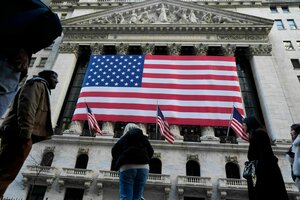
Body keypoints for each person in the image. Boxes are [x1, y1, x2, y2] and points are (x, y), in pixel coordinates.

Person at [0, 70, 58, 197]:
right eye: (54, 77)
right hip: (19, 134)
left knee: (8, 172)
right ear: (45, 76)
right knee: (6, 171)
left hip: (23, 134)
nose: (57, 81)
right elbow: (27, 107)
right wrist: (26, 132)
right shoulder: (36, 84)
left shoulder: (42, 86)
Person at [243, 116, 289, 200]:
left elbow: (262, 153)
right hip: (258, 170)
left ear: (250, 124)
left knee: (262, 192)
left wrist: (258, 167)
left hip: (262, 171)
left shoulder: (259, 134)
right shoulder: (256, 134)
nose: (243, 127)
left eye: (244, 125)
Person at [111, 123, 154, 200]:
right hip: (144, 168)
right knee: (137, 196)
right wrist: (145, 159)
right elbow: (151, 151)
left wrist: (119, 161)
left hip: (127, 167)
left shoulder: (124, 138)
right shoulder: (144, 138)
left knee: (126, 196)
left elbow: (114, 151)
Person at [286, 123, 300, 191]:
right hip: (297, 173)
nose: (290, 132)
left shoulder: (297, 143)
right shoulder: (295, 143)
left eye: (292, 130)